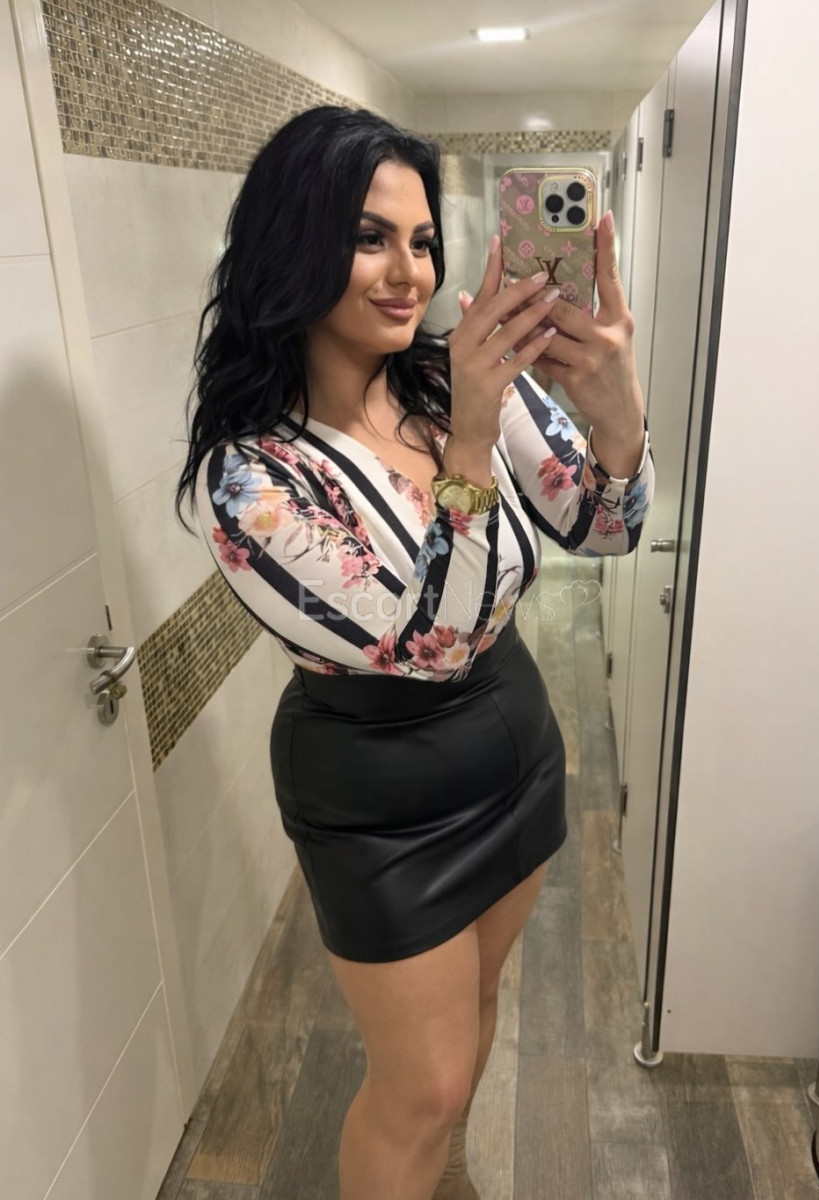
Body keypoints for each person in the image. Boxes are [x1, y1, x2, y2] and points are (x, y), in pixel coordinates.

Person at [176, 105, 654, 1200]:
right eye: (369, 238)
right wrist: (473, 443)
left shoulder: (451, 376)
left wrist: (616, 412)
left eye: (423, 241)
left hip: (514, 747)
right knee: (418, 1087)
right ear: (294, 245)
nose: (409, 273)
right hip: (378, 797)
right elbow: (426, 646)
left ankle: (445, 1179)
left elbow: (604, 526)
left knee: (479, 1006)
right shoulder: (254, 478)